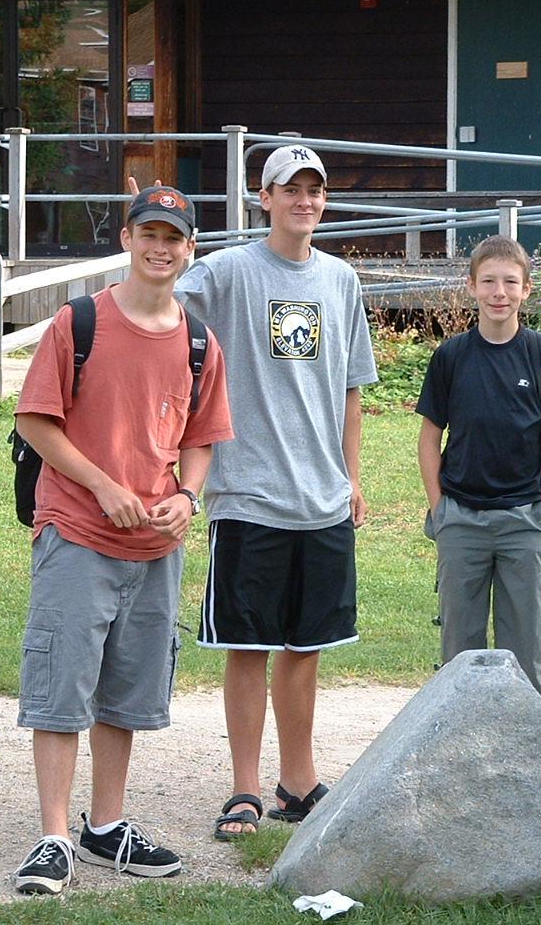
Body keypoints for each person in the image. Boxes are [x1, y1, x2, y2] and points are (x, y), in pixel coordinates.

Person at [12, 185, 233, 894]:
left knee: (126, 693)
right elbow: (34, 420)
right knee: (62, 687)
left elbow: (201, 437)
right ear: (127, 239)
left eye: (173, 238)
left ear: (190, 250)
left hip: (154, 548)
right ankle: (53, 837)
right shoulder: (78, 323)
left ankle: (105, 827)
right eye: (149, 234)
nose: (160, 248)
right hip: (77, 531)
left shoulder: (198, 343)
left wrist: (187, 497)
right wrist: (102, 484)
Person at [173, 145, 378, 840]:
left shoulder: (341, 280)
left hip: (322, 498)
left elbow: (351, 391)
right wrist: (153, 233)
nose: (304, 201)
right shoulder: (230, 271)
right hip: (249, 496)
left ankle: (298, 781)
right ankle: (245, 788)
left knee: (305, 648)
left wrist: (351, 477)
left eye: (314, 190)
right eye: (290, 189)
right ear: (264, 198)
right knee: (248, 647)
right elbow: (159, 298)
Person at [415, 234, 541, 703]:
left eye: (510, 282)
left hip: (523, 520)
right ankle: (456, 735)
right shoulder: (451, 357)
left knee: (527, 645)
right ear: (471, 286)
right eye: (488, 281)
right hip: (461, 519)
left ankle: (531, 739)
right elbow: (429, 437)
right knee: (459, 647)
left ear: (526, 289)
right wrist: (439, 508)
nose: (499, 293)